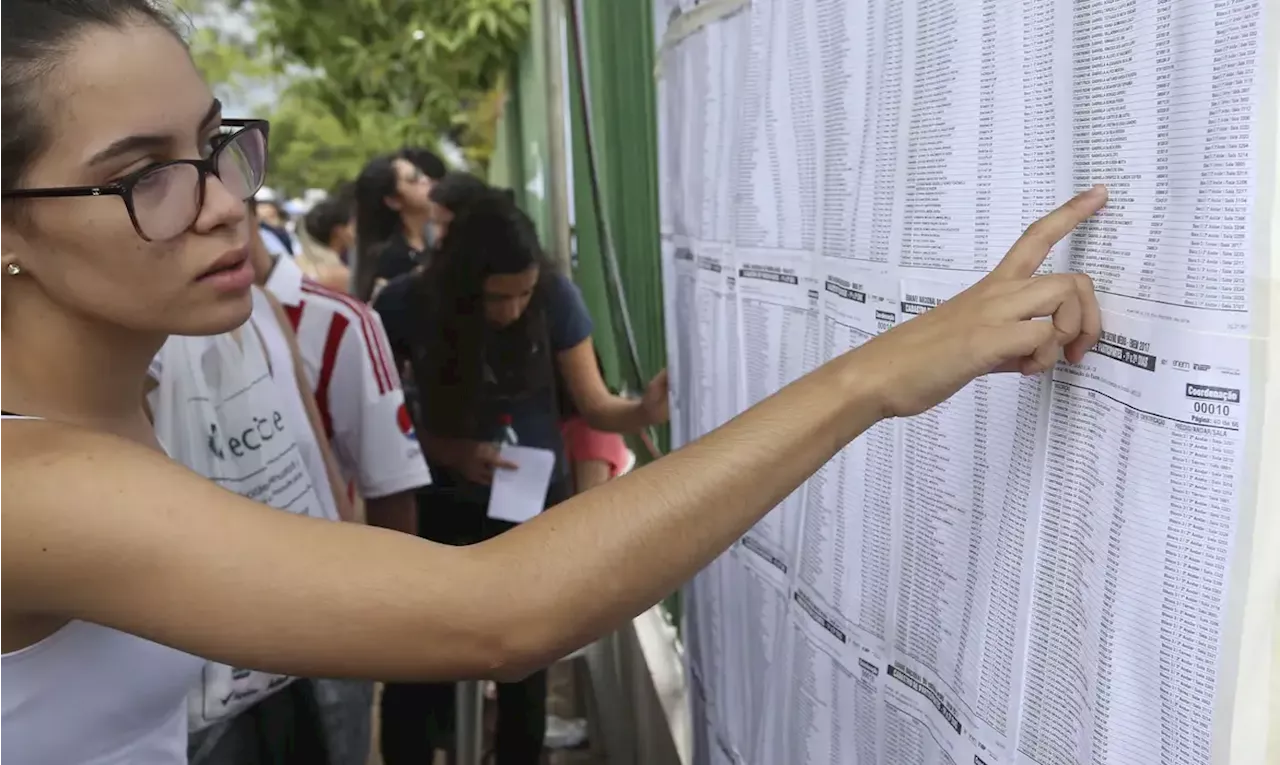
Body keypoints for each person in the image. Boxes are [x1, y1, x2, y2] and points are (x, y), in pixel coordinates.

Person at [0, 3, 1106, 764]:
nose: (224, 201)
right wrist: (878, 372)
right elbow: (498, 612)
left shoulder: (128, 401)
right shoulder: (38, 483)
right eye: (141, 177)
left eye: (216, 144)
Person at [352, 153, 434, 301]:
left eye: (422, 174)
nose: (426, 180)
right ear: (393, 201)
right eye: (413, 180)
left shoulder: (431, 242)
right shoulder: (389, 260)